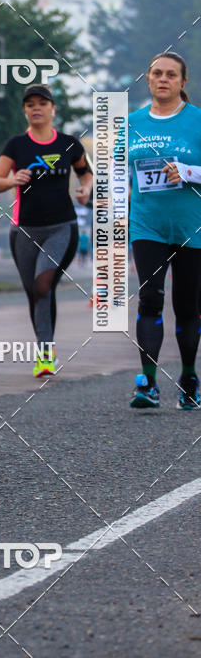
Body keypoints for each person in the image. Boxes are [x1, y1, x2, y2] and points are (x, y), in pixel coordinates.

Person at [0, 85, 92, 377]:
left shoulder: (69, 144)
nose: (36, 108)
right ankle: (46, 353)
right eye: (30, 104)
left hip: (62, 228)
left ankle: (46, 354)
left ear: (52, 109)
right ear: (25, 110)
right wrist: (12, 180)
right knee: (35, 292)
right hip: (24, 230)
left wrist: (85, 188)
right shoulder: (16, 145)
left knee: (43, 284)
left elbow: (85, 172)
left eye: (42, 103)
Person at [128, 52, 201, 410]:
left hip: (192, 228)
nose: (163, 79)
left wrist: (187, 172)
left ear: (182, 82)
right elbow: (115, 173)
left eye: (171, 75)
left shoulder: (197, 121)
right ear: (148, 78)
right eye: (157, 73)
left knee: (187, 307)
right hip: (147, 226)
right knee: (150, 299)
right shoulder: (132, 123)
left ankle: (188, 377)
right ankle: (148, 383)